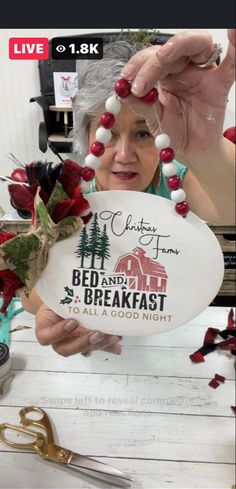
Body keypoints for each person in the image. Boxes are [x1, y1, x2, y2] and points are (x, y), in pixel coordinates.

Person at [20, 29, 235, 358]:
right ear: (86, 138)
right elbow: (26, 289)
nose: (124, 155)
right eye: (107, 133)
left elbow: (229, 206)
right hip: (91, 349)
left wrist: (208, 152)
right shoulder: (62, 197)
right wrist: (59, 305)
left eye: (143, 133)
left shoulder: (173, 183)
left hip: (164, 339)